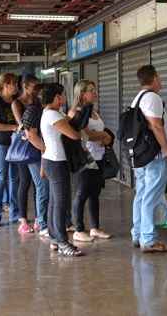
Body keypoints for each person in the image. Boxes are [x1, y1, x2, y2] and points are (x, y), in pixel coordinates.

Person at [130, 65, 167, 254]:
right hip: (154, 157)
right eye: (159, 77)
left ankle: (138, 234)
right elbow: (156, 127)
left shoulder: (137, 98)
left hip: (141, 156)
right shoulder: (152, 98)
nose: (161, 81)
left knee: (142, 195)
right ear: (153, 78)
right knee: (150, 197)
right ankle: (149, 240)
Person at [40, 83, 84, 257]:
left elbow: (69, 119)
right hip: (57, 162)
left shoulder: (51, 113)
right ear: (57, 98)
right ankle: (62, 241)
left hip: (53, 160)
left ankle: (54, 238)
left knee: (54, 201)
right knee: (60, 203)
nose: (65, 99)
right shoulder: (52, 115)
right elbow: (74, 134)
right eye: (63, 96)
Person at [71, 80, 113, 243]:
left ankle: (95, 227)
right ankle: (79, 229)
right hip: (85, 158)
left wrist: (106, 136)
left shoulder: (93, 112)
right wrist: (104, 136)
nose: (95, 93)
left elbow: (101, 131)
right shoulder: (77, 112)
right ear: (82, 94)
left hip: (99, 156)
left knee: (95, 192)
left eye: (95, 90)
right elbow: (86, 134)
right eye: (91, 90)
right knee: (82, 193)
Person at [11, 75, 49, 235]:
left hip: (36, 144)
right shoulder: (18, 103)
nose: (37, 89)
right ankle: (24, 219)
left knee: (37, 184)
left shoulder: (36, 104)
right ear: (25, 86)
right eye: (34, 86)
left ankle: (40, 219)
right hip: (25, 148)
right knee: (25, 182)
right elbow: (23, 127)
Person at [0, 73, 20, 228]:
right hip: (0, 143)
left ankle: (15, 213)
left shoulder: (16, 100)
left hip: (15, 144)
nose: (16, 87)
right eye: (14, 84)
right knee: (1, 178)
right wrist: (13, 127)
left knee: (14, 179)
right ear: (6, 85)